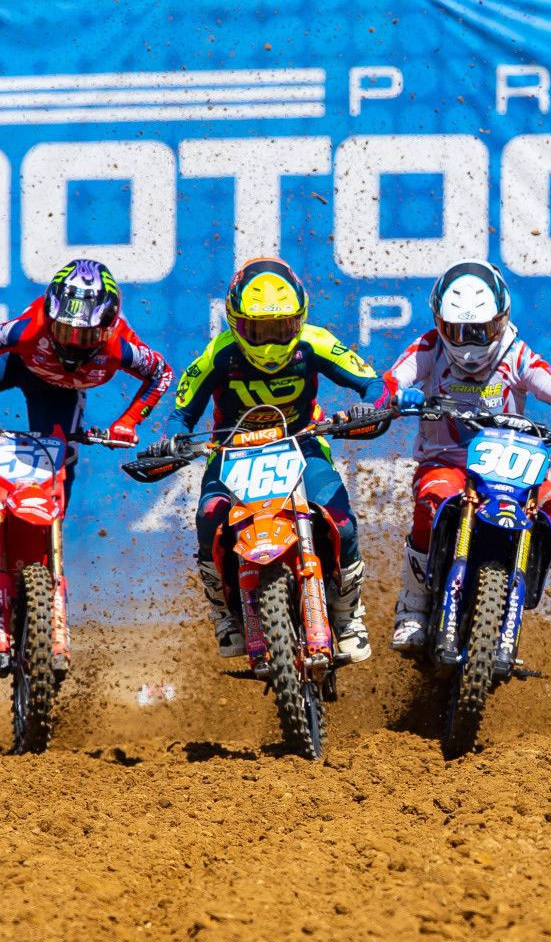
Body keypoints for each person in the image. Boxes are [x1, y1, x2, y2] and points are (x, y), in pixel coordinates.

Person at [139, 257, 385, 664]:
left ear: (299, 320)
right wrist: (170, 443)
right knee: (208, 519)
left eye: (280, 327)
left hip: (303, 443)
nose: (270, 342)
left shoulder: (316, 343)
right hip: (231, 452)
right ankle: (224, 613)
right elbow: (181, 413)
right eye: (259, 329)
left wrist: (369, 408)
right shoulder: (217, 355)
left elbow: (372, 384)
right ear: (236, 324)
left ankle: (347, 616)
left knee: (341, 519)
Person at [377, 259, 551, 654]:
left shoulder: (517, 353)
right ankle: (413, 609)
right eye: (458, 331)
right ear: (441, 324)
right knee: (430, 502)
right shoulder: (429, 348)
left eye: (480, 330)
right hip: (446, 462)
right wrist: (395, 398)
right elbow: (391, 380)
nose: (470, 342)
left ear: (502, 319)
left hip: (509, 465)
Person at [0, 259, 174, 452]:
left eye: (85, 336)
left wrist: (129, 421)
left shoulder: (121, 346)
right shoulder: (26, 331)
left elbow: (163, 374)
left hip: (61, 391)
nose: (72, 345)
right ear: (49, 318)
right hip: (14, 363)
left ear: (106, 328)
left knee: (58, 468)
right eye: (62, 331)